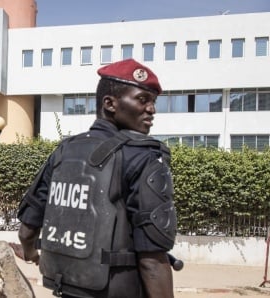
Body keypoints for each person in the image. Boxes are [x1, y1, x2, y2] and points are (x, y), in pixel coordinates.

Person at [13, 59, 177, 298]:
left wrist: (32, 255)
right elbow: (152, 259)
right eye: (142, 100)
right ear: (110, 103)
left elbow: (27, 232)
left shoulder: (63, 151)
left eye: (153, 102)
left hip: (67, 290)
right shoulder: (144, 156)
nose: (152, 109)